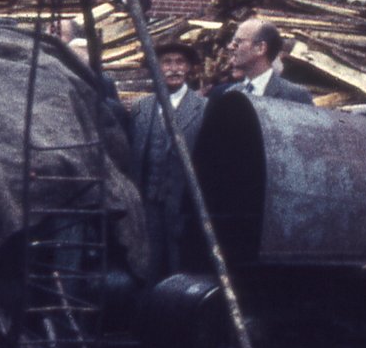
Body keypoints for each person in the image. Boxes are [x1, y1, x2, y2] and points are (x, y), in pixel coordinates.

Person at [127, 40, 208, 277]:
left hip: (184, 208)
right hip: (148, 206)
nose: (174, 68)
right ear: (156, 68)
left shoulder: (203, 108)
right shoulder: (141, 108)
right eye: (167, 62)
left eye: (180, 62)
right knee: (147, 267)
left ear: (190, 69)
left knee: (179, 268)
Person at [224, 19, 314, 102]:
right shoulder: (231, 93)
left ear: (260, 48)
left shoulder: (295, 96)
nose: (230, 47)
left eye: (238, 42)